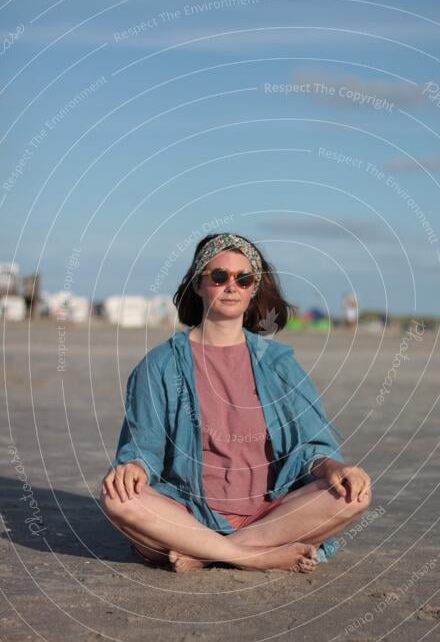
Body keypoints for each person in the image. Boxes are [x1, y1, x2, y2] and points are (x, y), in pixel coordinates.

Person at [100, 232, 372, 573]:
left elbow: (309, 447)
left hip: (271, 514)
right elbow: (144, 447)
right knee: (117, 498)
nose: (232, 286)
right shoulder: (160, 365)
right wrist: (134, 467)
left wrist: (335, 468)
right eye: (219, 276)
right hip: (184, 513)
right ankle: (254, 556)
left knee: (353, 495)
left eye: (244, 279)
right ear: (198, 285)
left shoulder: (279, 364)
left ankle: (207, 552)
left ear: (253, 289)